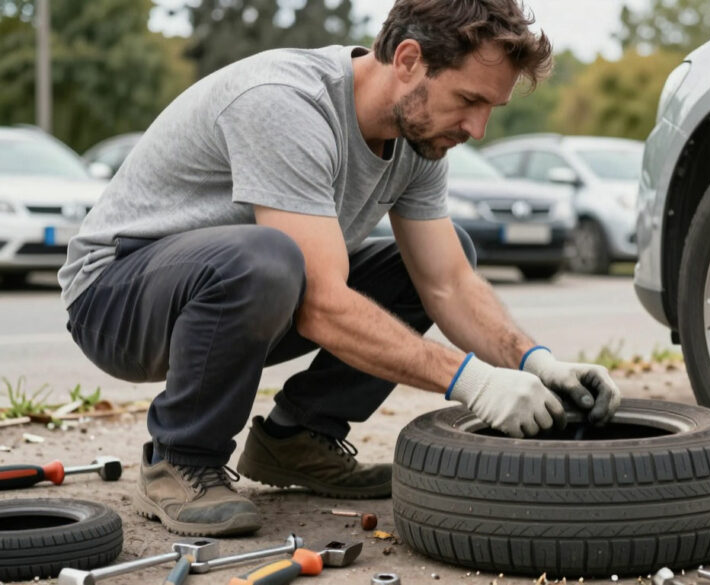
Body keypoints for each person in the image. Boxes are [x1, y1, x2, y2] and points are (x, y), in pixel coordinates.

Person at [58, 0, 622, 537]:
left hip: (239, 293)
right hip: (115, 295)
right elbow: (323, 303)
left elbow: (447, 284)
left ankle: (296, 440)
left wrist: (534, 361)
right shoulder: (285, 101)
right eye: (468, 100)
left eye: (489, 110)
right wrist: (474, 382)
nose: (477, 129)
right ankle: (179, 459)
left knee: (438, 259)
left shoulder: (419, 138)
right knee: (270, 258)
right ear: (407, 60)